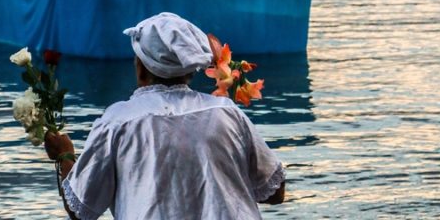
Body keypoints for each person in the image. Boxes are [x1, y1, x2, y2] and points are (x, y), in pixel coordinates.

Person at [43, 13, 285, 219]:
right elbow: (275, 192)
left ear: (140, 66)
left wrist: (64, 155)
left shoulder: (117, 121)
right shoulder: (227, 113)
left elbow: (81, 208)